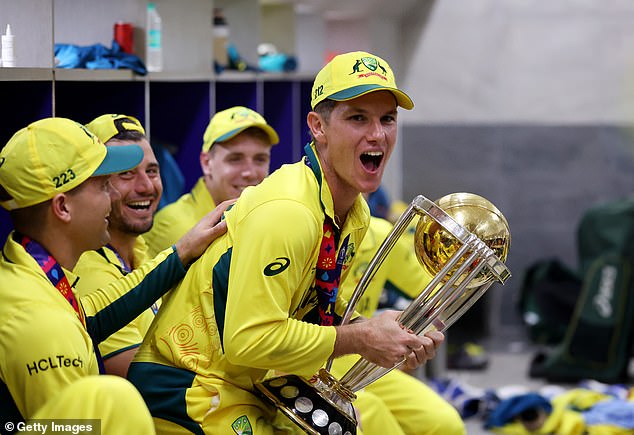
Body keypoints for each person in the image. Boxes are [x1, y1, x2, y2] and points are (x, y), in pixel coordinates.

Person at [128, 51, 445, 434]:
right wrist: (361, 337)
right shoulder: (289, 211)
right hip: (188, 386)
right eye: (357, 117)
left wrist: (387, 333)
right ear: (318, 127)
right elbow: (250, 339)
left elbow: (314, 306)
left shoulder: (353, 210)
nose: (376, 134)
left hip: (254, 384)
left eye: (387, 119)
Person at [0, 117, 228, 431]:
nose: (113, 196)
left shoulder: (28, 270)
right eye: (103, 185)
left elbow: (93, 314)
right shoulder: (43, 325)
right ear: (63, 207)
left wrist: (182, 251)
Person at [330, 213, 466, 434]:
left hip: (365, 358)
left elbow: (435, 291)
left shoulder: (381, 234)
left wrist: (464, 262)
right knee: (374, 416)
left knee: (445, 424)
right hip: (310, 357)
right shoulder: (301, 225)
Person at [73, 114, 163, 378]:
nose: (146, 186)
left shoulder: (141, 248)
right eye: (126, 174)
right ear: (95, 185)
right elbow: (139, 381)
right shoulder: (87, 270)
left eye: (152, 171)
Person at [143, 106, 279, 257]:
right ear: (207, 163)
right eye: (235, 159)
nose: (250, 172)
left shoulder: (262, 217)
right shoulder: (178, 230)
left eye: (260, 159)